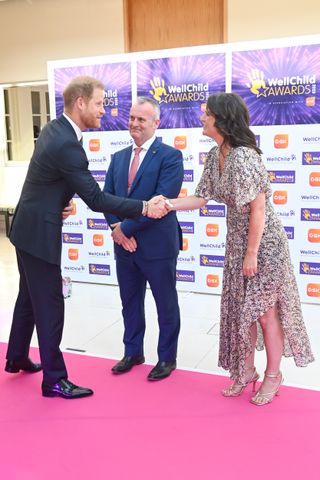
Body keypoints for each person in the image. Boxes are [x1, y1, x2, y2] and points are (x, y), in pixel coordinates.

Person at [5, 76, 166, 399]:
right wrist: (145, 207)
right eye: (98, 103)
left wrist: (59, 202)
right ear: (80, 102)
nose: (103, 110)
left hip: (27, 225)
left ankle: (17, 356)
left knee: (28, 294)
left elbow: (45, 178)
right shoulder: (67, 142)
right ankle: (54, 379)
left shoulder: (55, 128)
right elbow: (96, 199)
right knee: (49, 303)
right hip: (37, 233)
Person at [163, 92, 314, 405]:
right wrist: (168, 204)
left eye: (207, 113)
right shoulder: (214, 154)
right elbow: (201, 197)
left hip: (263, 245)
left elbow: (258, 209)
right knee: (238, 312)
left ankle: (274, 375)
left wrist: (251, 254)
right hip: (237, 244)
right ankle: (245, 371)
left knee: (264, 313)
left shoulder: (245, 156)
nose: (202, 118)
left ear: (221, 119)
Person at [103, 96, 184, 380]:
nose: (135, 124)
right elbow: (107, 199)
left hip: (157, 245)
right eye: (132, 118)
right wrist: (117, 229)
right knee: (130, 301)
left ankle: (166, 358)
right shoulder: (118, 157)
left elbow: (160, 203)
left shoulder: (171, 156)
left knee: (165, 303)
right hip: (124, 246)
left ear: (156, 123)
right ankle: (133, 351)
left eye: (142, 119)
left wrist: (124, 229)